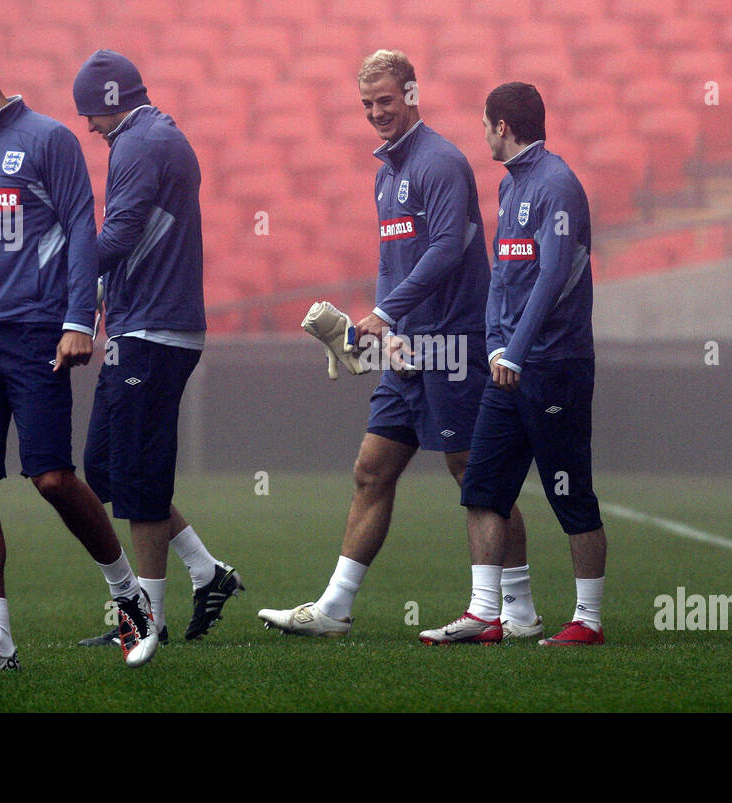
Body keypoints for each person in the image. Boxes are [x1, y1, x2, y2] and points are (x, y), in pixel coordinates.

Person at [258, 50, 538, 639]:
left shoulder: (441, 163)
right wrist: (387, 338)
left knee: (476, 476)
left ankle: (515, 610)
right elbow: (394, 261)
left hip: (455, 346)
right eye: (367, 104)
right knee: (372, 469)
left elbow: (445, 251)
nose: (376, 113)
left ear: (411, 93)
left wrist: (385, 315)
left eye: (386, 100)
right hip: (409, 353)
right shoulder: (385, 172)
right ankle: (334, 608)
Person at [0, 36, 158, 672]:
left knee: (52, 477)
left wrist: (80, 320)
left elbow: (84, 229)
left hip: (34, 333)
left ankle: (130, 598)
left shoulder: (51, 139)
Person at [419, 83, 606, 646]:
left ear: (501, 126)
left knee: (569, 492)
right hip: (511, 364)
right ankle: (486, 614)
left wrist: (517, 351)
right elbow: (505, 277)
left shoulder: (557, 184)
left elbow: (552, 278)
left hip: (554, 364)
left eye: (484, 124)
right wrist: (497, 344)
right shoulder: (511, 187)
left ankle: (589, 621)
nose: (482, 134)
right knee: (482, 487)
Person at [69, 50, 242, 649]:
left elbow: (118, 236)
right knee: (105, 469)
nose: (88, 126)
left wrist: (56, 268)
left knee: (137, 477)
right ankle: (206, 571)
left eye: (91, 112)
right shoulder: (149, 137)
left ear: (112, 102)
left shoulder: (139, 145)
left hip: (154, 328)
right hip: (141, 325)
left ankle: (149, 621)